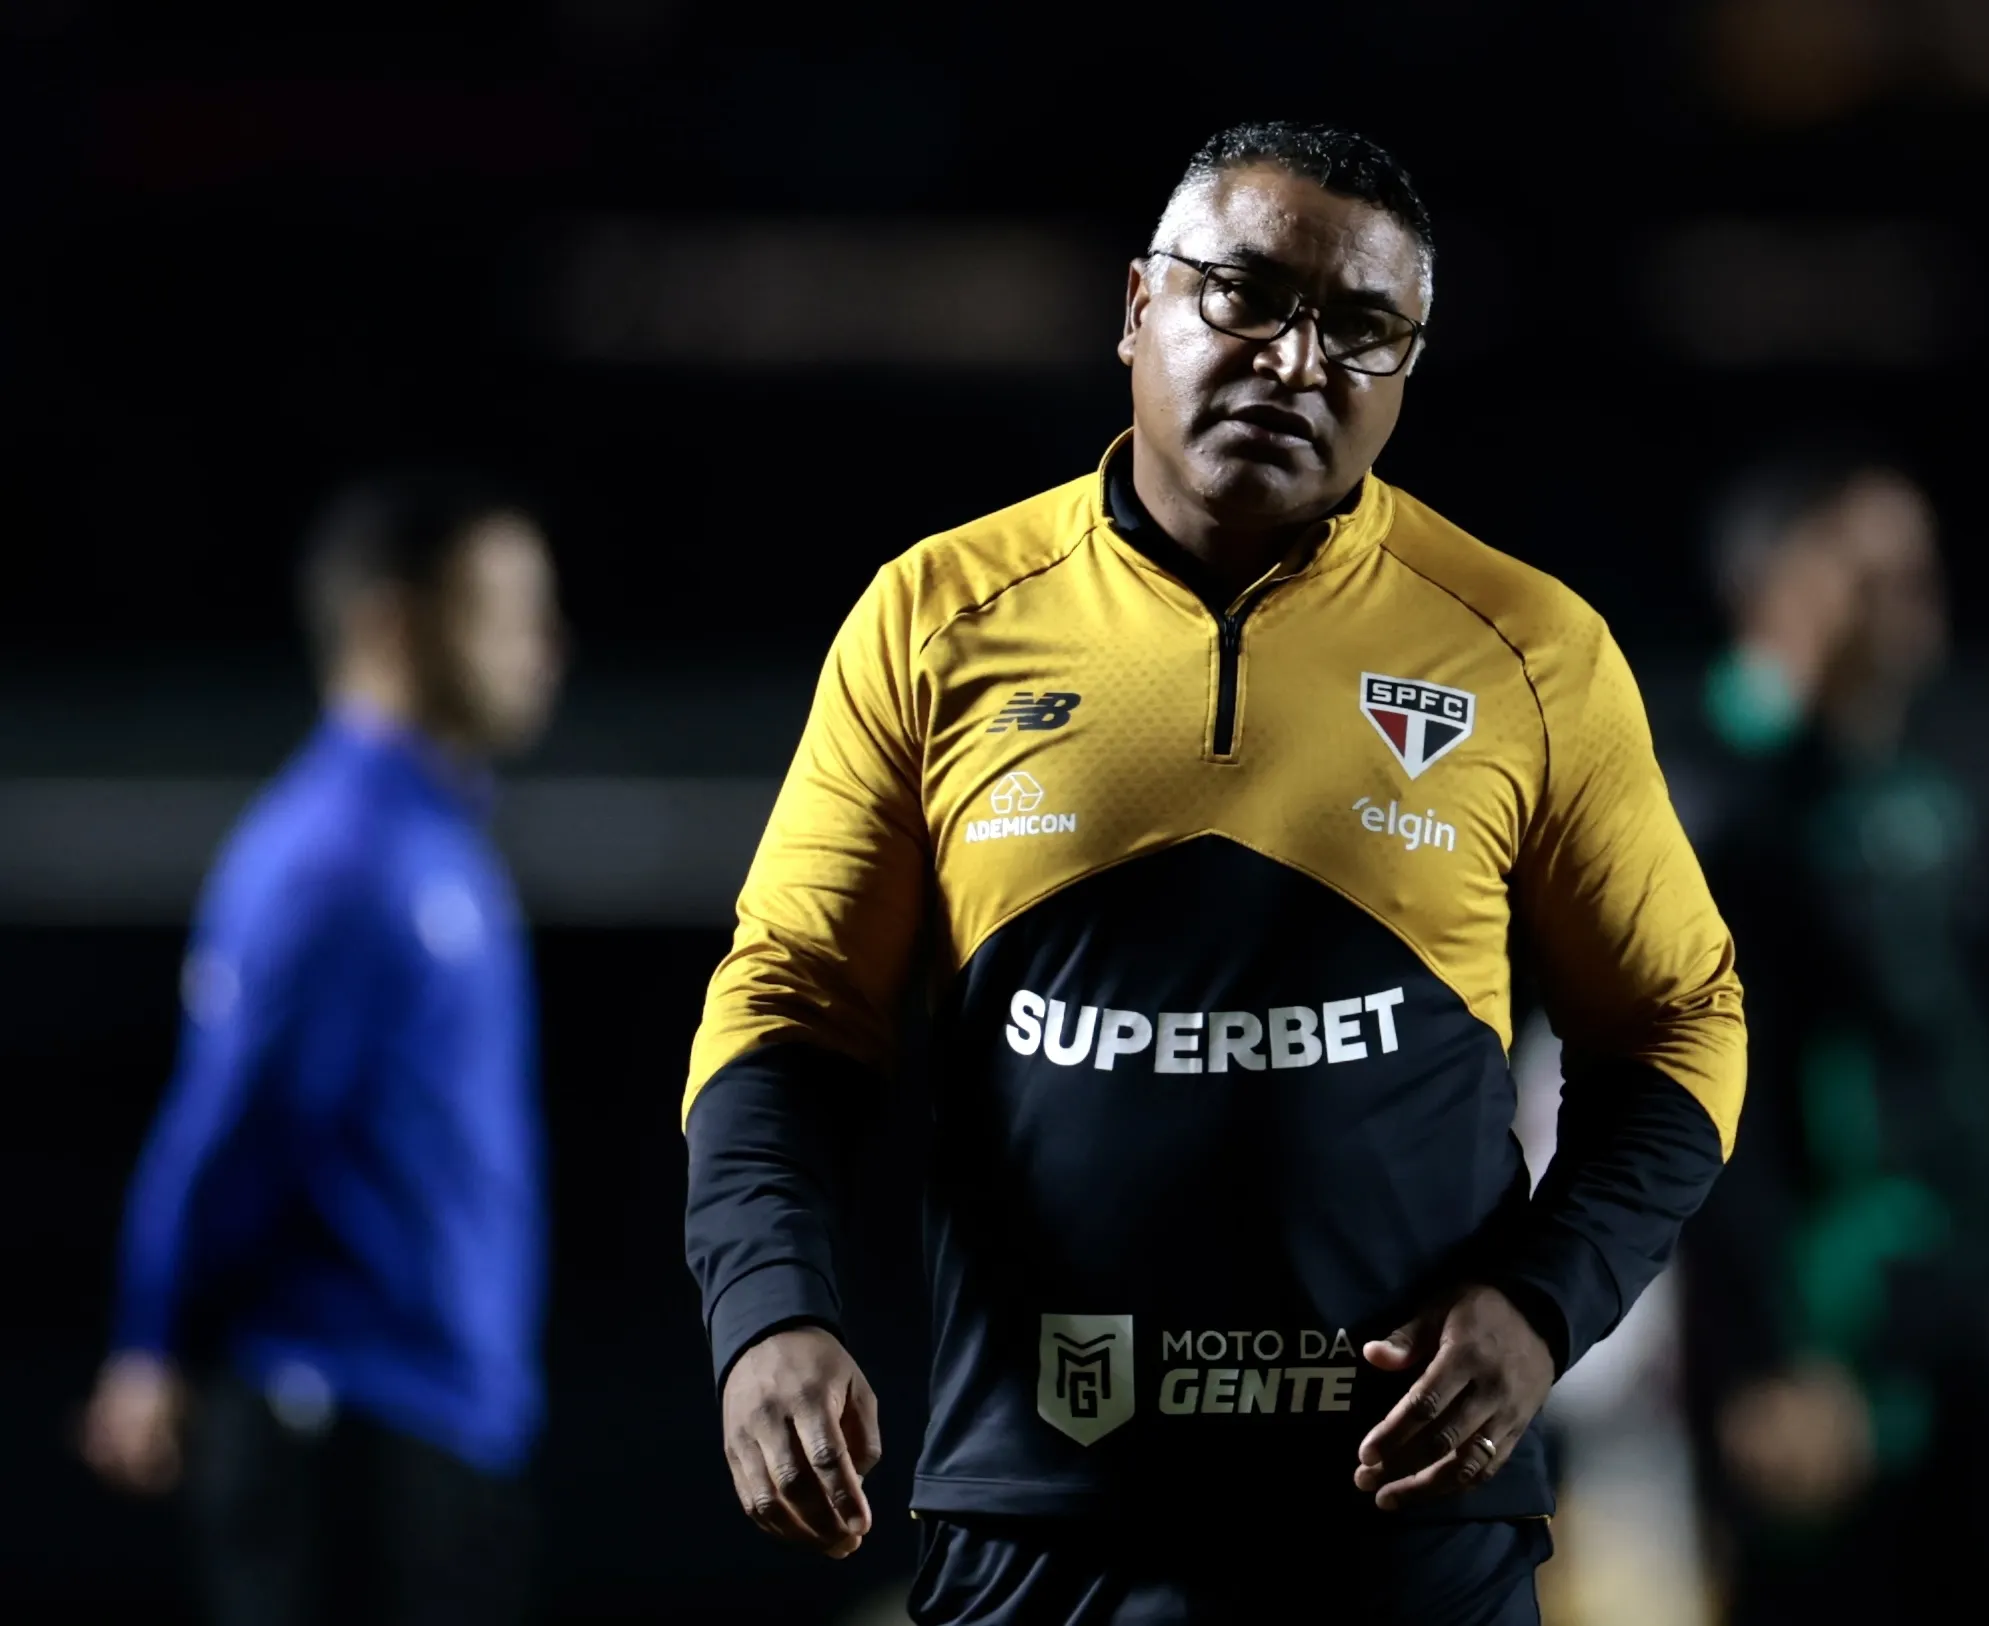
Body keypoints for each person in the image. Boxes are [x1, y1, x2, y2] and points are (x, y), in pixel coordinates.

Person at [680, 121, 1748, 1625]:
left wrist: (1535, 1304)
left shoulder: (1526, 647)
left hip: (1397, 1528)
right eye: (1242, 295)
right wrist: (768, 1308)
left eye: (1362, 329)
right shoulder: (934, 618)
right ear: (1135, 305)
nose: (1296, 361)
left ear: (1405, 373)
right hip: (1041, 1519)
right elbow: (786, 1007)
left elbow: (1679, 1022)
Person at [80, 473, 565, 1626]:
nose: (544, 646)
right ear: (392, 623)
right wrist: (154, 1341)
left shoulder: (436, 843)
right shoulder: (339, 856)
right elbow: (236, 1121)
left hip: (434, 1423)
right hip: (341, 1429)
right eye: (503, 608)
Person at [1669, 449, 1989, 1624]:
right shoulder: (1713, 803)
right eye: (1878, 573)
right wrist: (1764, 1360)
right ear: (1787, 586)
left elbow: (1967, 1063)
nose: (1916, 602)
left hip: (1955, 1318)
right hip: (1826, 1333)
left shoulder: (1917, 803)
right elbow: (1706, 1100)